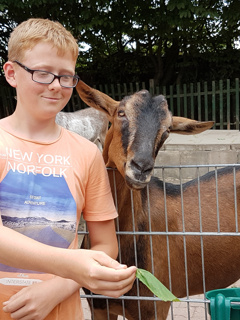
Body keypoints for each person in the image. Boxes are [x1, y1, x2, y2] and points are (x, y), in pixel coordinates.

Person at [0, 18, 136, 319]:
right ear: (12, 73)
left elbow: (105, 244)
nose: (56, 86)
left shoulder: (87, 154)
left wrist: (57, 289)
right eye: (42, 73)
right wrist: (72, 265)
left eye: (66, 77)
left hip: (61, 310)